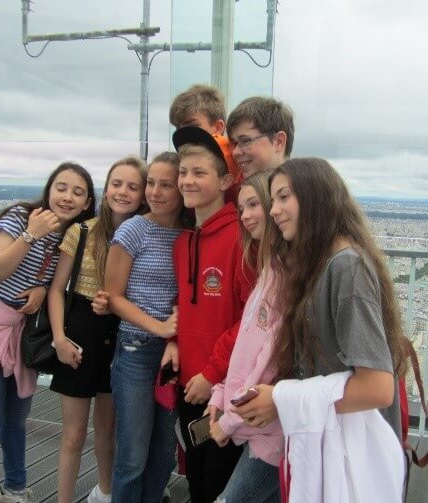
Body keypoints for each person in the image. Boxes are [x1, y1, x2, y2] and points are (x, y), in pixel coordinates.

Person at [234, 158, 407, 501]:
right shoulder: (326, 263)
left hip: (349, 445)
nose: (275, 210)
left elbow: (377, 387)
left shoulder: (347, 269)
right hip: (334, 438)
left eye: (284, 197)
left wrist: (283, 400)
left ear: (315, 197)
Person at [0, 162, 95, 503]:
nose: (67, 197)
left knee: (16, 418)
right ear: (49, 188)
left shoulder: (69, 236)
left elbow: (47, 284)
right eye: (62, 187)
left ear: (87, 203)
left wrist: (40, 291)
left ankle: (14, 488)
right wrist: (31, 234)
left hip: (19, 331)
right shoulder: (20, 218)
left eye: (78, 192)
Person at [162, 126, 255, 503]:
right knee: (197, 481)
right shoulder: (184, 240)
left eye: (199, 173)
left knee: (218, 486)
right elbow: (184, 304)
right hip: (189, 383)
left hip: (222, 388)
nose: (187, 181)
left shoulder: (241, 238)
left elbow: (251, 318)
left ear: (225, 180)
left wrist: (212, 373)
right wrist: (172, 341)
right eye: (183, 172)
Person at [48, 157, 147, 503]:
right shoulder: (83, 230)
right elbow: (58, 288)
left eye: (133, 186)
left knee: (107, 429)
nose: (123, 192)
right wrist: (59, 338)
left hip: (119, 331)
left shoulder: (144, 234)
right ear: (105, 190)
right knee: (73, 434)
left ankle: (105, 492)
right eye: (117, 184)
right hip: (80, 330)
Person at [100, 152, 186, 502]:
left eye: (166, 184)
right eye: (151, 183)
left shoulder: (190, 233)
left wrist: (173, 334)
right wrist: (161, 327)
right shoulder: (134, 229)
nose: (155, 191)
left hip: (173, 356)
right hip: (136, 349)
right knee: (133, 455)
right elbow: (114, 297)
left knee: (164, 452)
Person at [207, 171, 283, 503]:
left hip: (273, 429)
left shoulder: (283, 275)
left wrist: (229, 419)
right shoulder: (271, 268)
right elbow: (247, 350)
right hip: (264, 423)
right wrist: (221, 393)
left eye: (254, 204)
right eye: (242, 208)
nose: (246, 216)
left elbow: (270, 361)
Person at [226, 96, 294, 179]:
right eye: (234, 143)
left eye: (245, 141)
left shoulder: (307, 191)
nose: (235, 152)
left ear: (278, 141)